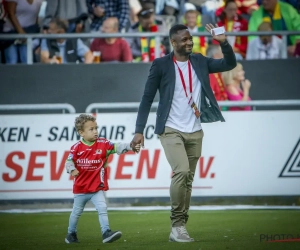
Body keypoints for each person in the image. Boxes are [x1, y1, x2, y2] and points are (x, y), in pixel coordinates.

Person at [130, 23, 236, 242]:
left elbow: (229, 63)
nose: (189, 42)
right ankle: (177, 225)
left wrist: (224, 42)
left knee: (188, 179)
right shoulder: (160, 65)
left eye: (190, 38)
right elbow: (147, 98)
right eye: (184, 40)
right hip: (170, 128)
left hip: (195, 129)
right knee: (181, 171)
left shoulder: (200, 60)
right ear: (174, 42)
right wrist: (138, 130)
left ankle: (181, 225)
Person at [64, 114, 140, 244]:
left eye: (96, 128)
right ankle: (71, 234)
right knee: (76, 212)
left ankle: (106, 233)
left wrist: (130, 146)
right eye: (91, 129)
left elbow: (117, 146)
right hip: (80, 189)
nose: (95, 132)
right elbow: (68, 161)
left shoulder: (103, 143)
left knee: (102, 208)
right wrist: (72, 169)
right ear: (81, 132)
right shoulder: (76, 147)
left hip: (96, 188)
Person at [206, 44, 229, 110]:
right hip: (217, 110)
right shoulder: (210, 73)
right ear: (216, 56)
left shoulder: (216, 72)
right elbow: (211, 95)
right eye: (222, 53)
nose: (223, 56)